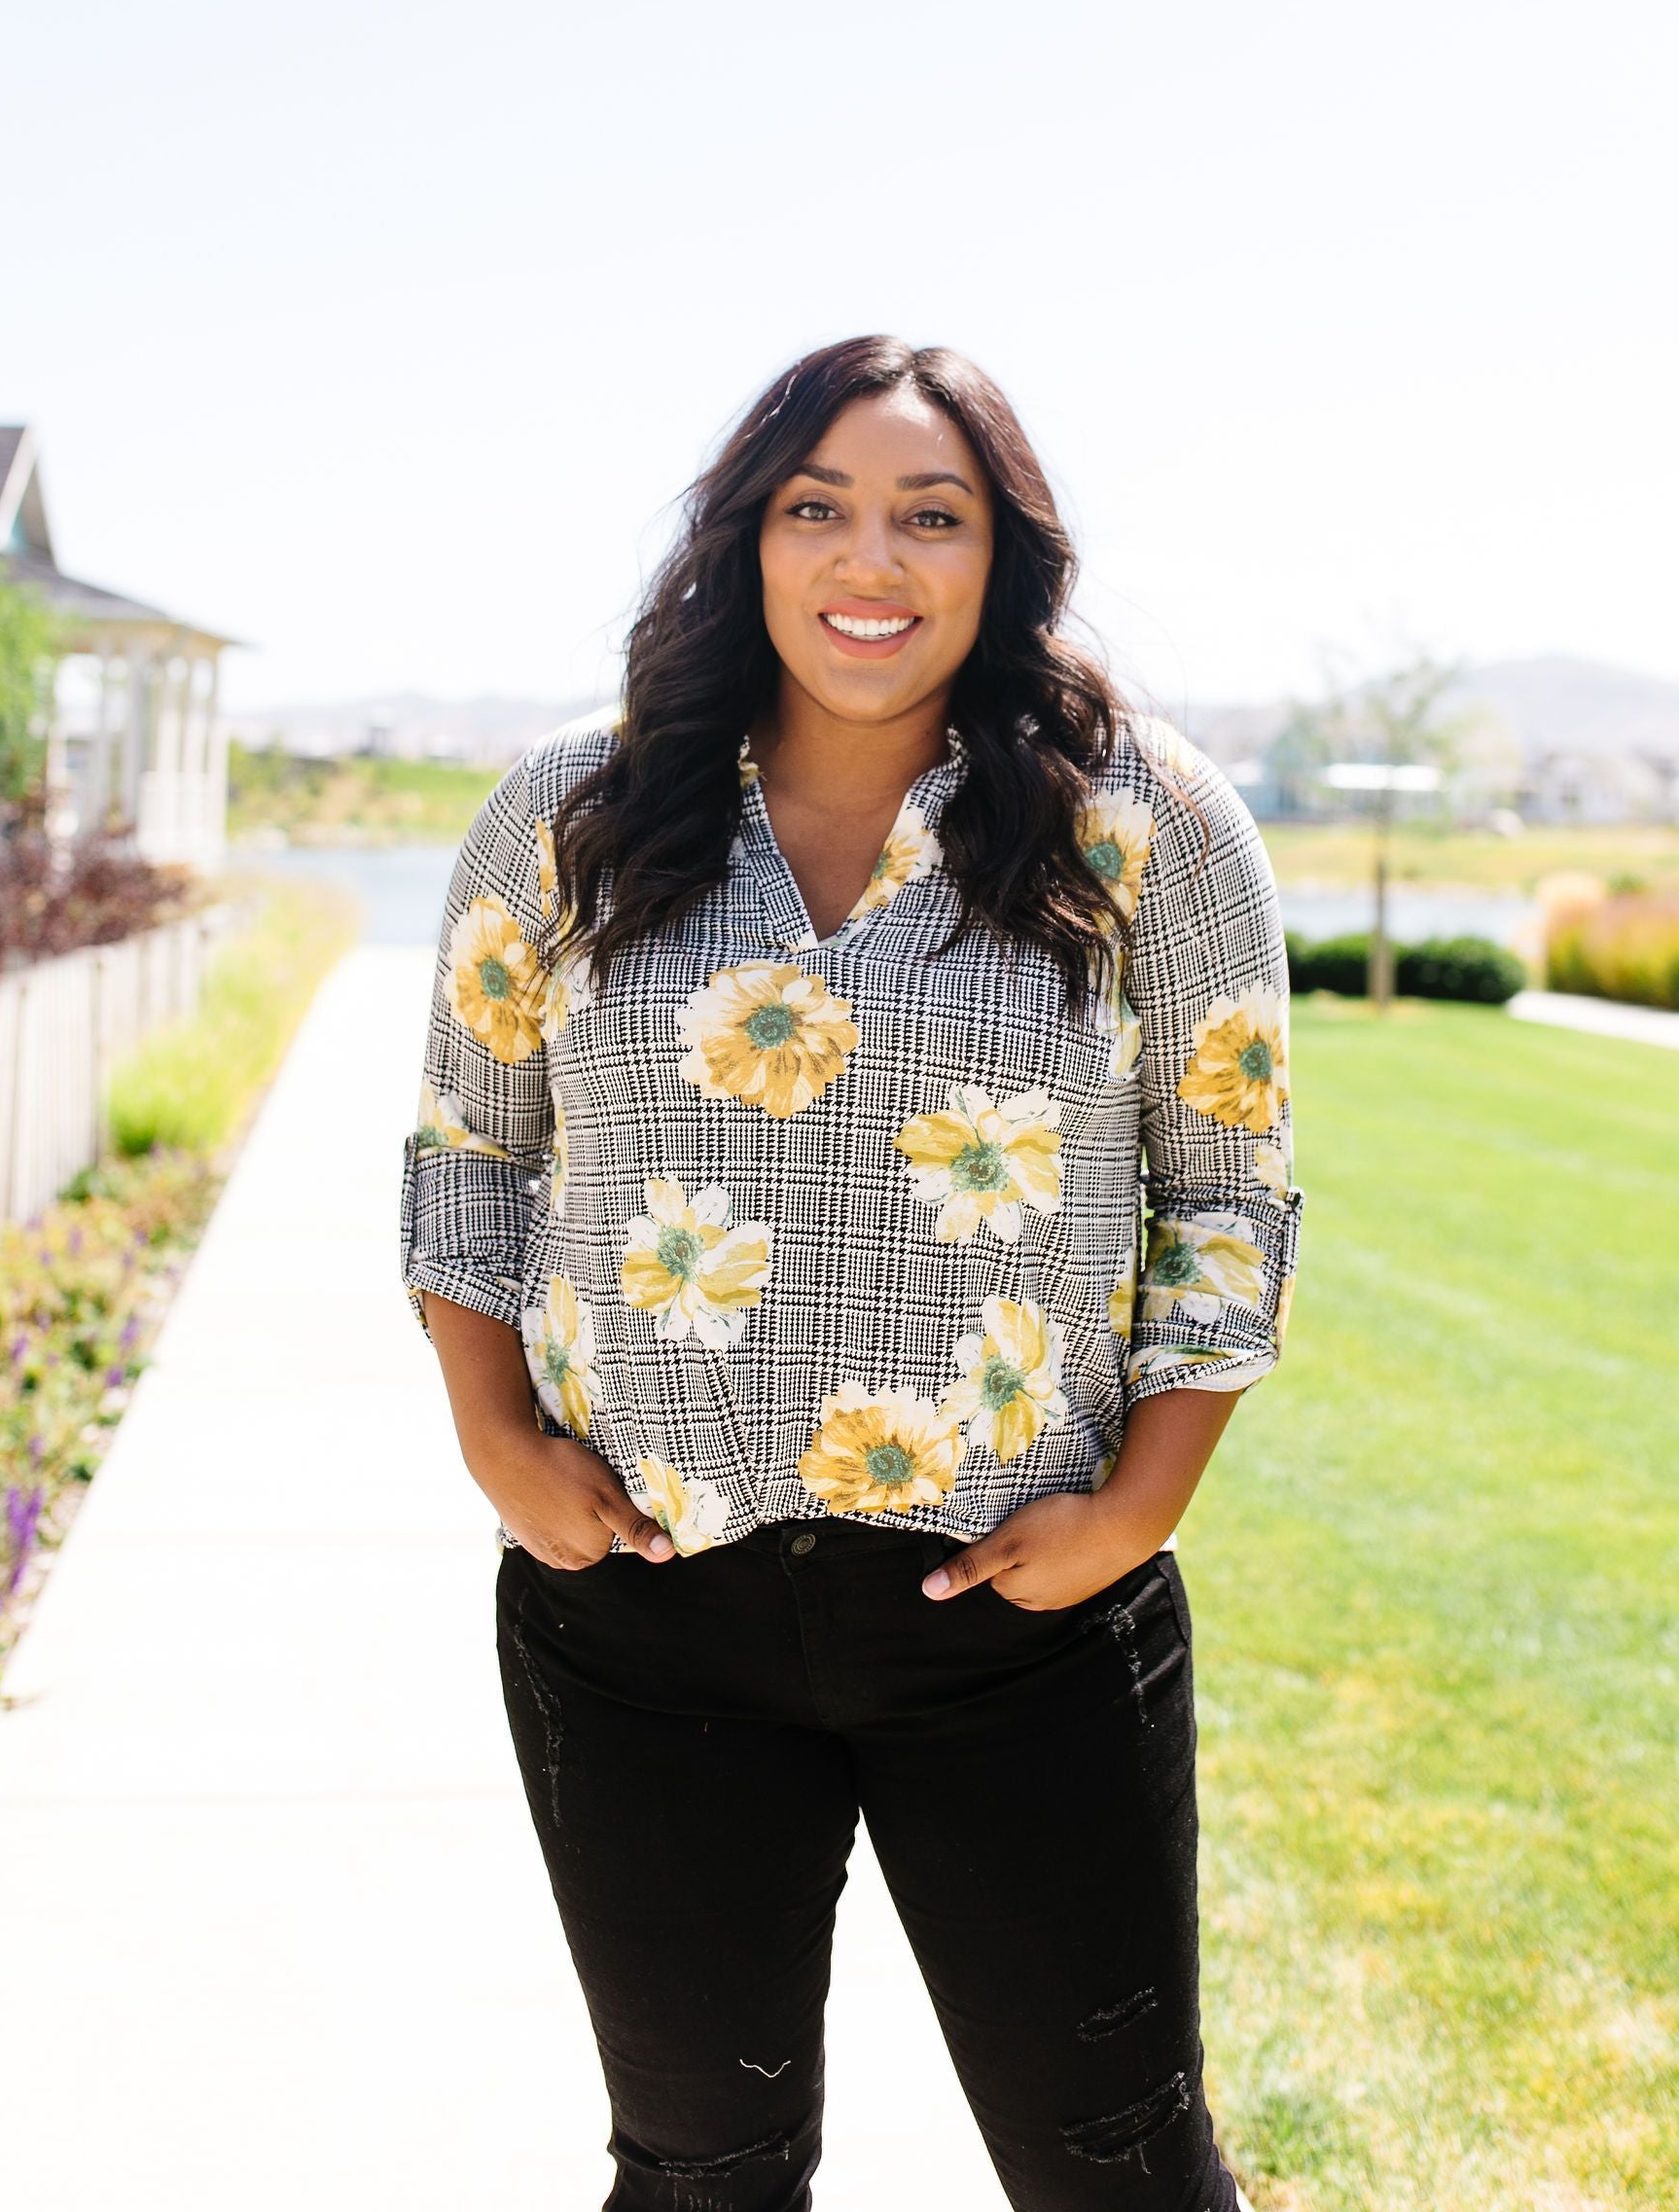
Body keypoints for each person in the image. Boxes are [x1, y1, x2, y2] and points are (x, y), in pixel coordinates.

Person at [402, 335, 1300, 2212]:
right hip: (645, 1626)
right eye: (817, 510)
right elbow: (471, 1159)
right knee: (699, 2173)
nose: (867, 562)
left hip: (1019, 1620)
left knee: (1118, 2168)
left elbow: (1226, 1188)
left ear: (1002, 558)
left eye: (929, 515)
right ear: (747, 542)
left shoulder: (1149, 823)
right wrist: (496, 1439)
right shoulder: (571, 815)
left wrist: (1141, 1506)